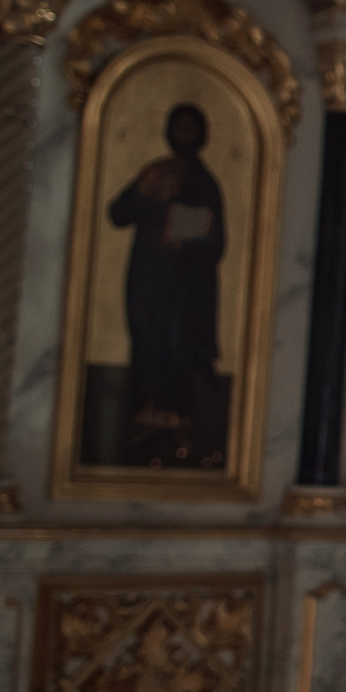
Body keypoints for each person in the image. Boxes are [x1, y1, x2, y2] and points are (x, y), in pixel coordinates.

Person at [107, 103, 227, 466]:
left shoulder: (205, 184)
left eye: (191, 129)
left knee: (180, 354)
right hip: (149, 281)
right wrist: (145, 193)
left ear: (202, 136)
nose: (184, 135)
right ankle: (144, 427)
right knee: (147, 348)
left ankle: (178, 433)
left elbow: (215, 242)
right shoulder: (156, 172)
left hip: (187, 289)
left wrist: (183, 237)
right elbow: (118, 213)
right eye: (179, 128)